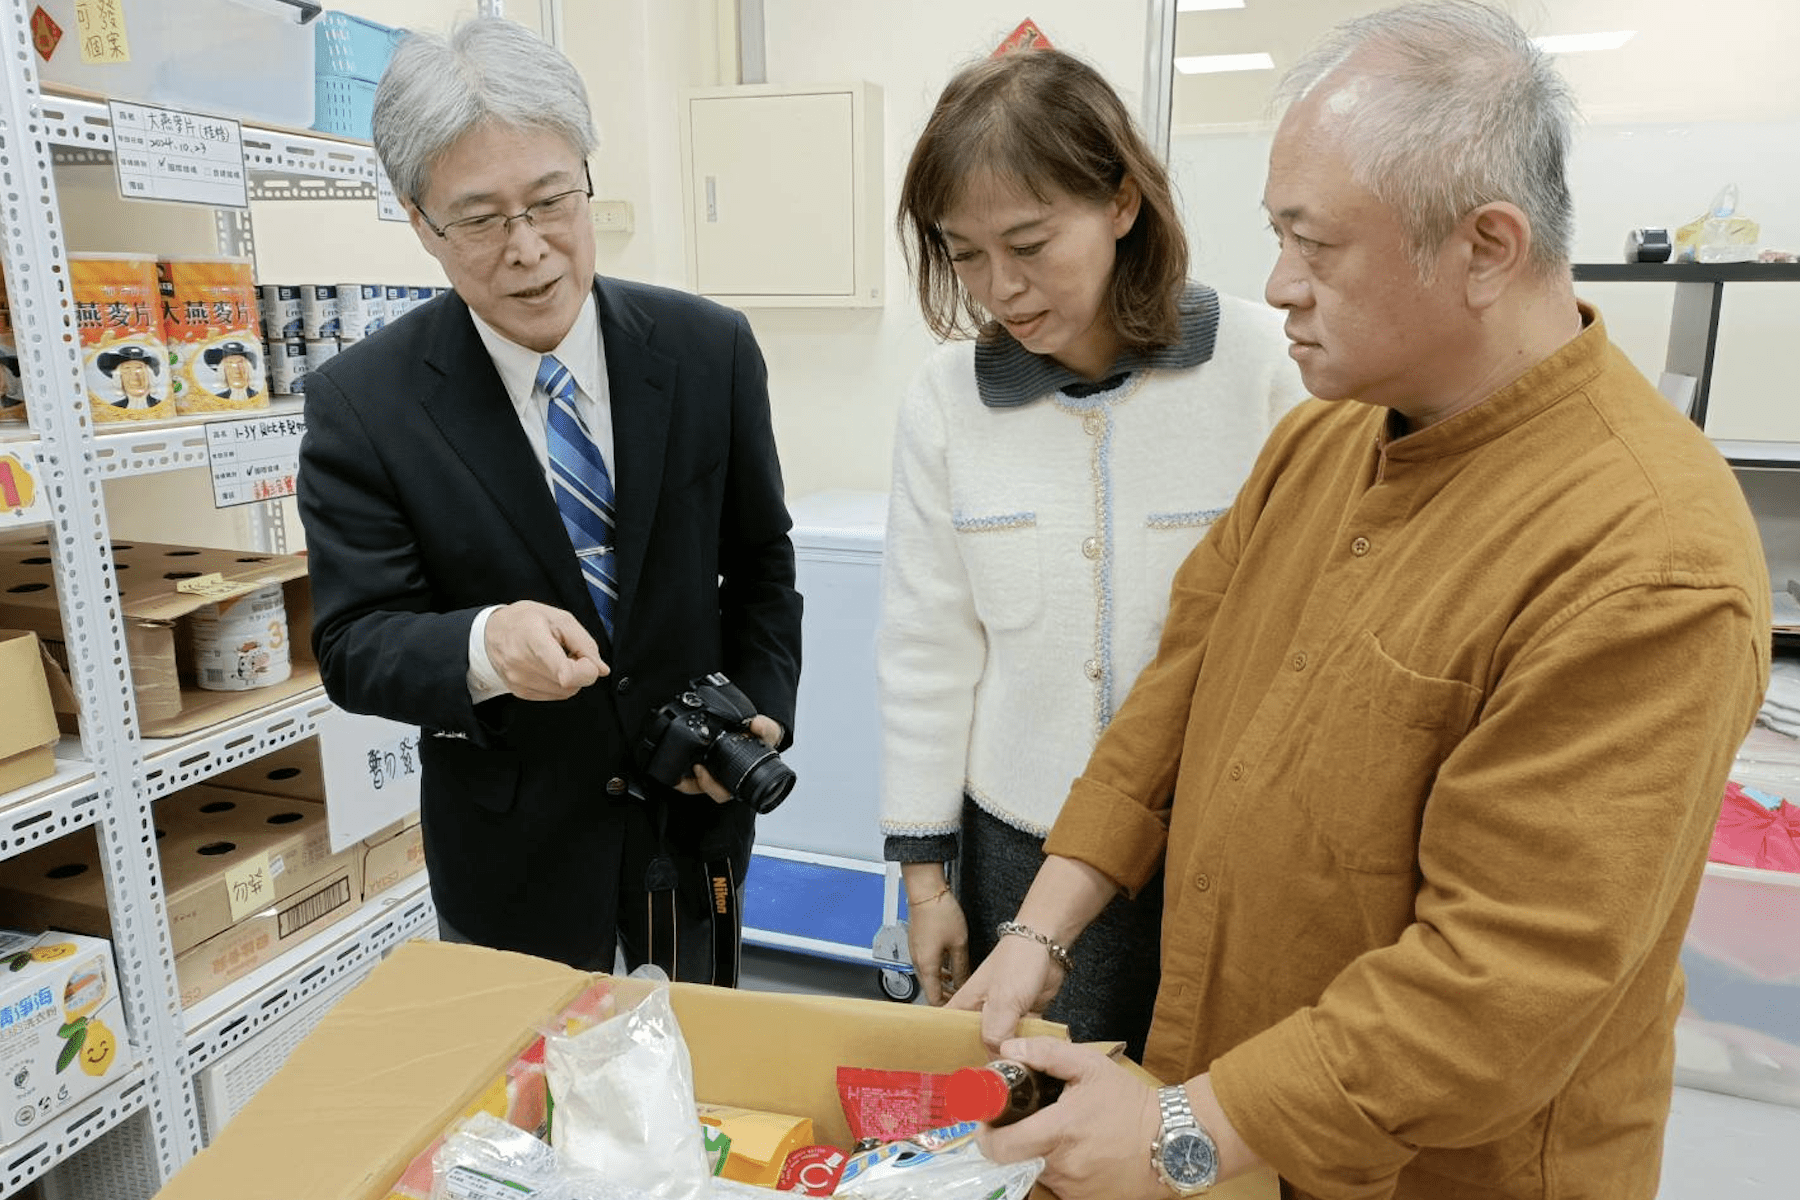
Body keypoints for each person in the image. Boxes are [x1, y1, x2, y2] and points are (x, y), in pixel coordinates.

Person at [949, 4, 1771, 1198]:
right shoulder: (1324, 441)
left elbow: (1500, 979)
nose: (1277, 286)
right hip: (1243, 1106)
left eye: (1315, 245)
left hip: (1439, 1164)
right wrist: (1039, 932)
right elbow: (1169, 707)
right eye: (1277, 236)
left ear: (1486, 247)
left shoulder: (1647, 559)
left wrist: (1181, 1125)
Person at [296, 18, 801, 984]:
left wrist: (761, 714)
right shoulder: (365, 403)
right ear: (418, 220)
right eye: (481, 219)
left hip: (696, 824)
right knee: (530, 1107)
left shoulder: (709, 352)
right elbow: (354, 644)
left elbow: (764, 570)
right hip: (513, 850)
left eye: (551, 200)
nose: (528, 249)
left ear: (587, 177)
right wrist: (484, 644)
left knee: (701, 1083)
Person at [878, 46, 1304, 1056]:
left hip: (1215, 841)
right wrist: (925, 882)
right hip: (1016, 842)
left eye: (1030, 242)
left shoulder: (1263, 369)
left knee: (1193, 1109)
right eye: (966, 253)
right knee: (1031, 1119)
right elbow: (927, 651)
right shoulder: (946, 405)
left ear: (1120, 203)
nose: (1002, 288)